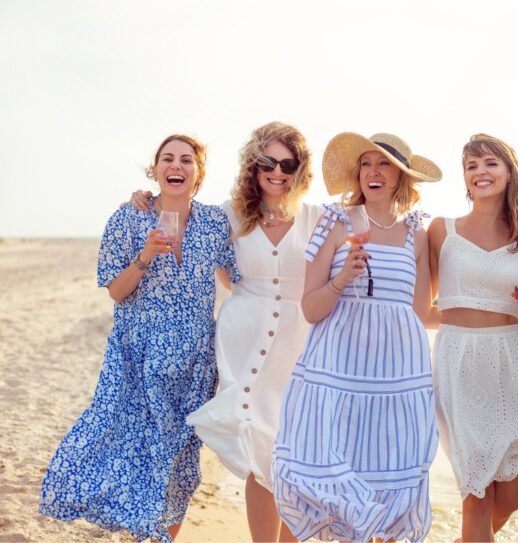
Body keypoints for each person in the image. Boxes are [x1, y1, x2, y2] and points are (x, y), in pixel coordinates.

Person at [127, 122, 323, 542]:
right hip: (244, 342)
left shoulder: (319, 217)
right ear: (253, 166)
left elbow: (374, 223)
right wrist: (144, 199)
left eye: (287, 164)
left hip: (300, 345)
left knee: (296, 451)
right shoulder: (228, 215)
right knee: (258, 446)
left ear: (300, 169)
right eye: (267, 162)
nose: (277, 172)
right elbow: (186, 221)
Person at [39, 135, 239, 542]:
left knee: (180, 462)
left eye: (186, 160)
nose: (176, 165)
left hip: (194, 363)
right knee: (127, 448)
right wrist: (145, 256)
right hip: (138, 356)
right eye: (168, 159)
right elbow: (115, 290)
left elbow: (237, 276)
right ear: (156, 170)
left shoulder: (217, 223)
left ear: (198, 173)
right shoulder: (128, 219)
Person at [271, 132, 441, 542]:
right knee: (314, 475)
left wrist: (489, 317)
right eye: (366, 164)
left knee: (387, 482)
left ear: (401, 178)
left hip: (394, 382)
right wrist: (343, 278)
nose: (373, 172)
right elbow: (311, 309)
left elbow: (419, 313)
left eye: (384, 165)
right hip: (336, 374)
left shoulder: (416, 234)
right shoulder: (336, 221)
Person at [427, 134, 518, 542]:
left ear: (509, 173)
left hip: (509, 360)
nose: (480, 172)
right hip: (459, 361)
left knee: (511, 493)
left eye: (490, 163)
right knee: (476, 491)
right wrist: (463, 317)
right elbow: (421, 309)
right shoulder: (442, 231)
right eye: (472, 166)